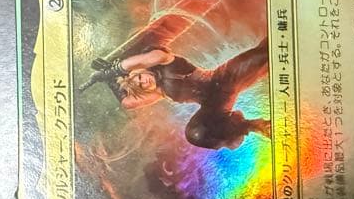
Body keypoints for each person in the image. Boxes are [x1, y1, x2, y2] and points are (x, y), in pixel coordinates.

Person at [85, 40, 271, 150]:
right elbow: (127, 103)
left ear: (141, 69)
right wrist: (109, 79)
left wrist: (116, 69)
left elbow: (153, 57)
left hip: (225, 77)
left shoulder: (165, 61)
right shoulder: (159, 93)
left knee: (265, 53)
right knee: (194, 134)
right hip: (214, 107)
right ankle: (252, 126)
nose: (144, 82)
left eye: (140, 77)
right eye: (141, 86)